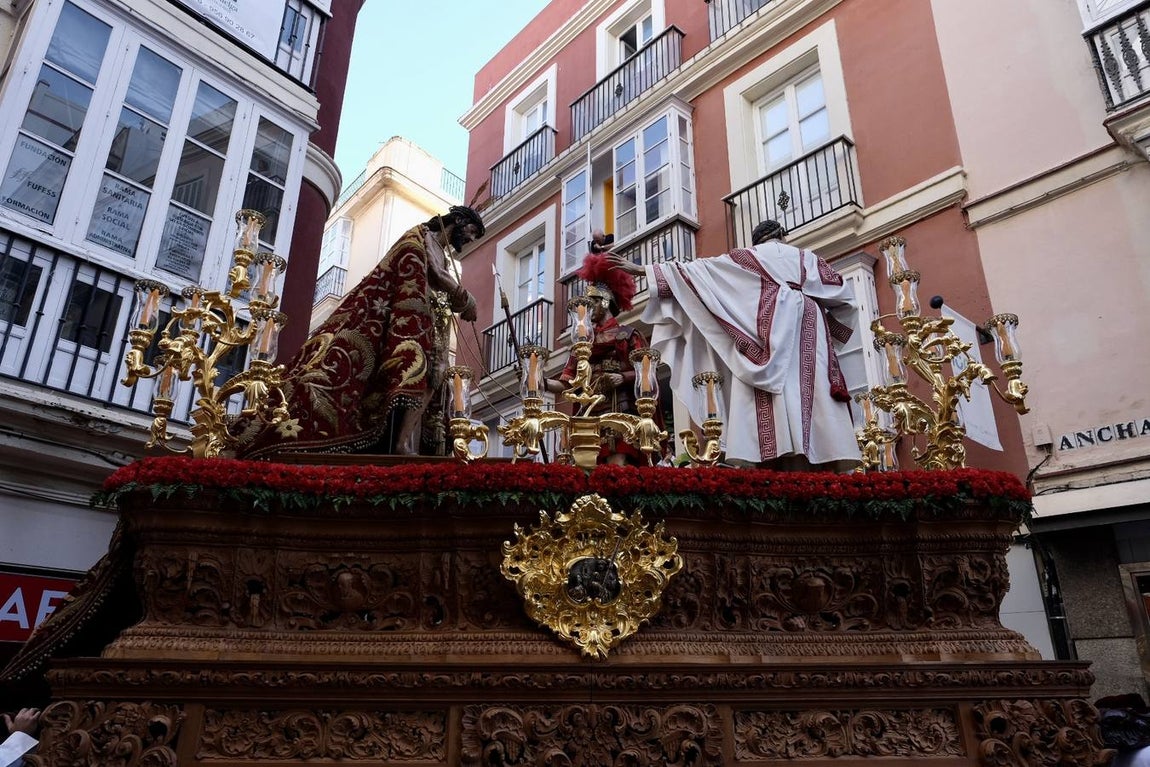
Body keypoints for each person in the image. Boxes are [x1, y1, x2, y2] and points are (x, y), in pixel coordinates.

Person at [235, 206, 484, 458]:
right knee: (423, 373)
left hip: (428, 322)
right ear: (459, 220)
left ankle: (407, 440)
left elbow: (436, 280)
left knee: (435, 377)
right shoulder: (423, 236)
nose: (471, 239)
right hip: (412, 323)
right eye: (472, 231)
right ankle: (401, 444)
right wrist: (466, 299)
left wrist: (457, 300)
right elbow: (436, 273)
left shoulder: (440, 250)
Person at [610, 219, 860, 470]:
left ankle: (771, 454)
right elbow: (845, 300)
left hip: (762, 334)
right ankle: (817, 455)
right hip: (808, 326)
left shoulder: (744, 259)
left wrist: (645, 270)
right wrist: (828, 338)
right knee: (810, 392)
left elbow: (696, 272)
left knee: (770, 400)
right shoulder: (809, 259)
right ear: (782, 235)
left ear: (756, 241)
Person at [546, 242, 656, 465]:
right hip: (587, 411)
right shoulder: (583, 343)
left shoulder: (628, 334)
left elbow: (647, 372)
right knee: (585, 467)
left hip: (619, 408)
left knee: (617, 469)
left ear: (605, 302)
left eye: (592, 302)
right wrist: (537, 380)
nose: (585, 309)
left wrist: (622, 377)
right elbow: (567, 382)